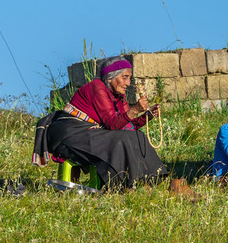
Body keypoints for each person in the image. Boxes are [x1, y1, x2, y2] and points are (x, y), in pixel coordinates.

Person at [33, 58, 167, 188]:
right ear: (110, 77)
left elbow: (126, 125)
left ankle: (150, 180)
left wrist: (147, 116)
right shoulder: (98, 88)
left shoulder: (119, 95)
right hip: (70, 136)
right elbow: (113, 125)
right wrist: (135, 109)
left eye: (129, 78)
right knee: (122, 139)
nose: (128, 83)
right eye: (124, 77)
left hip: (90, 133)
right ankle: (120, 185)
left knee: (137, 135)